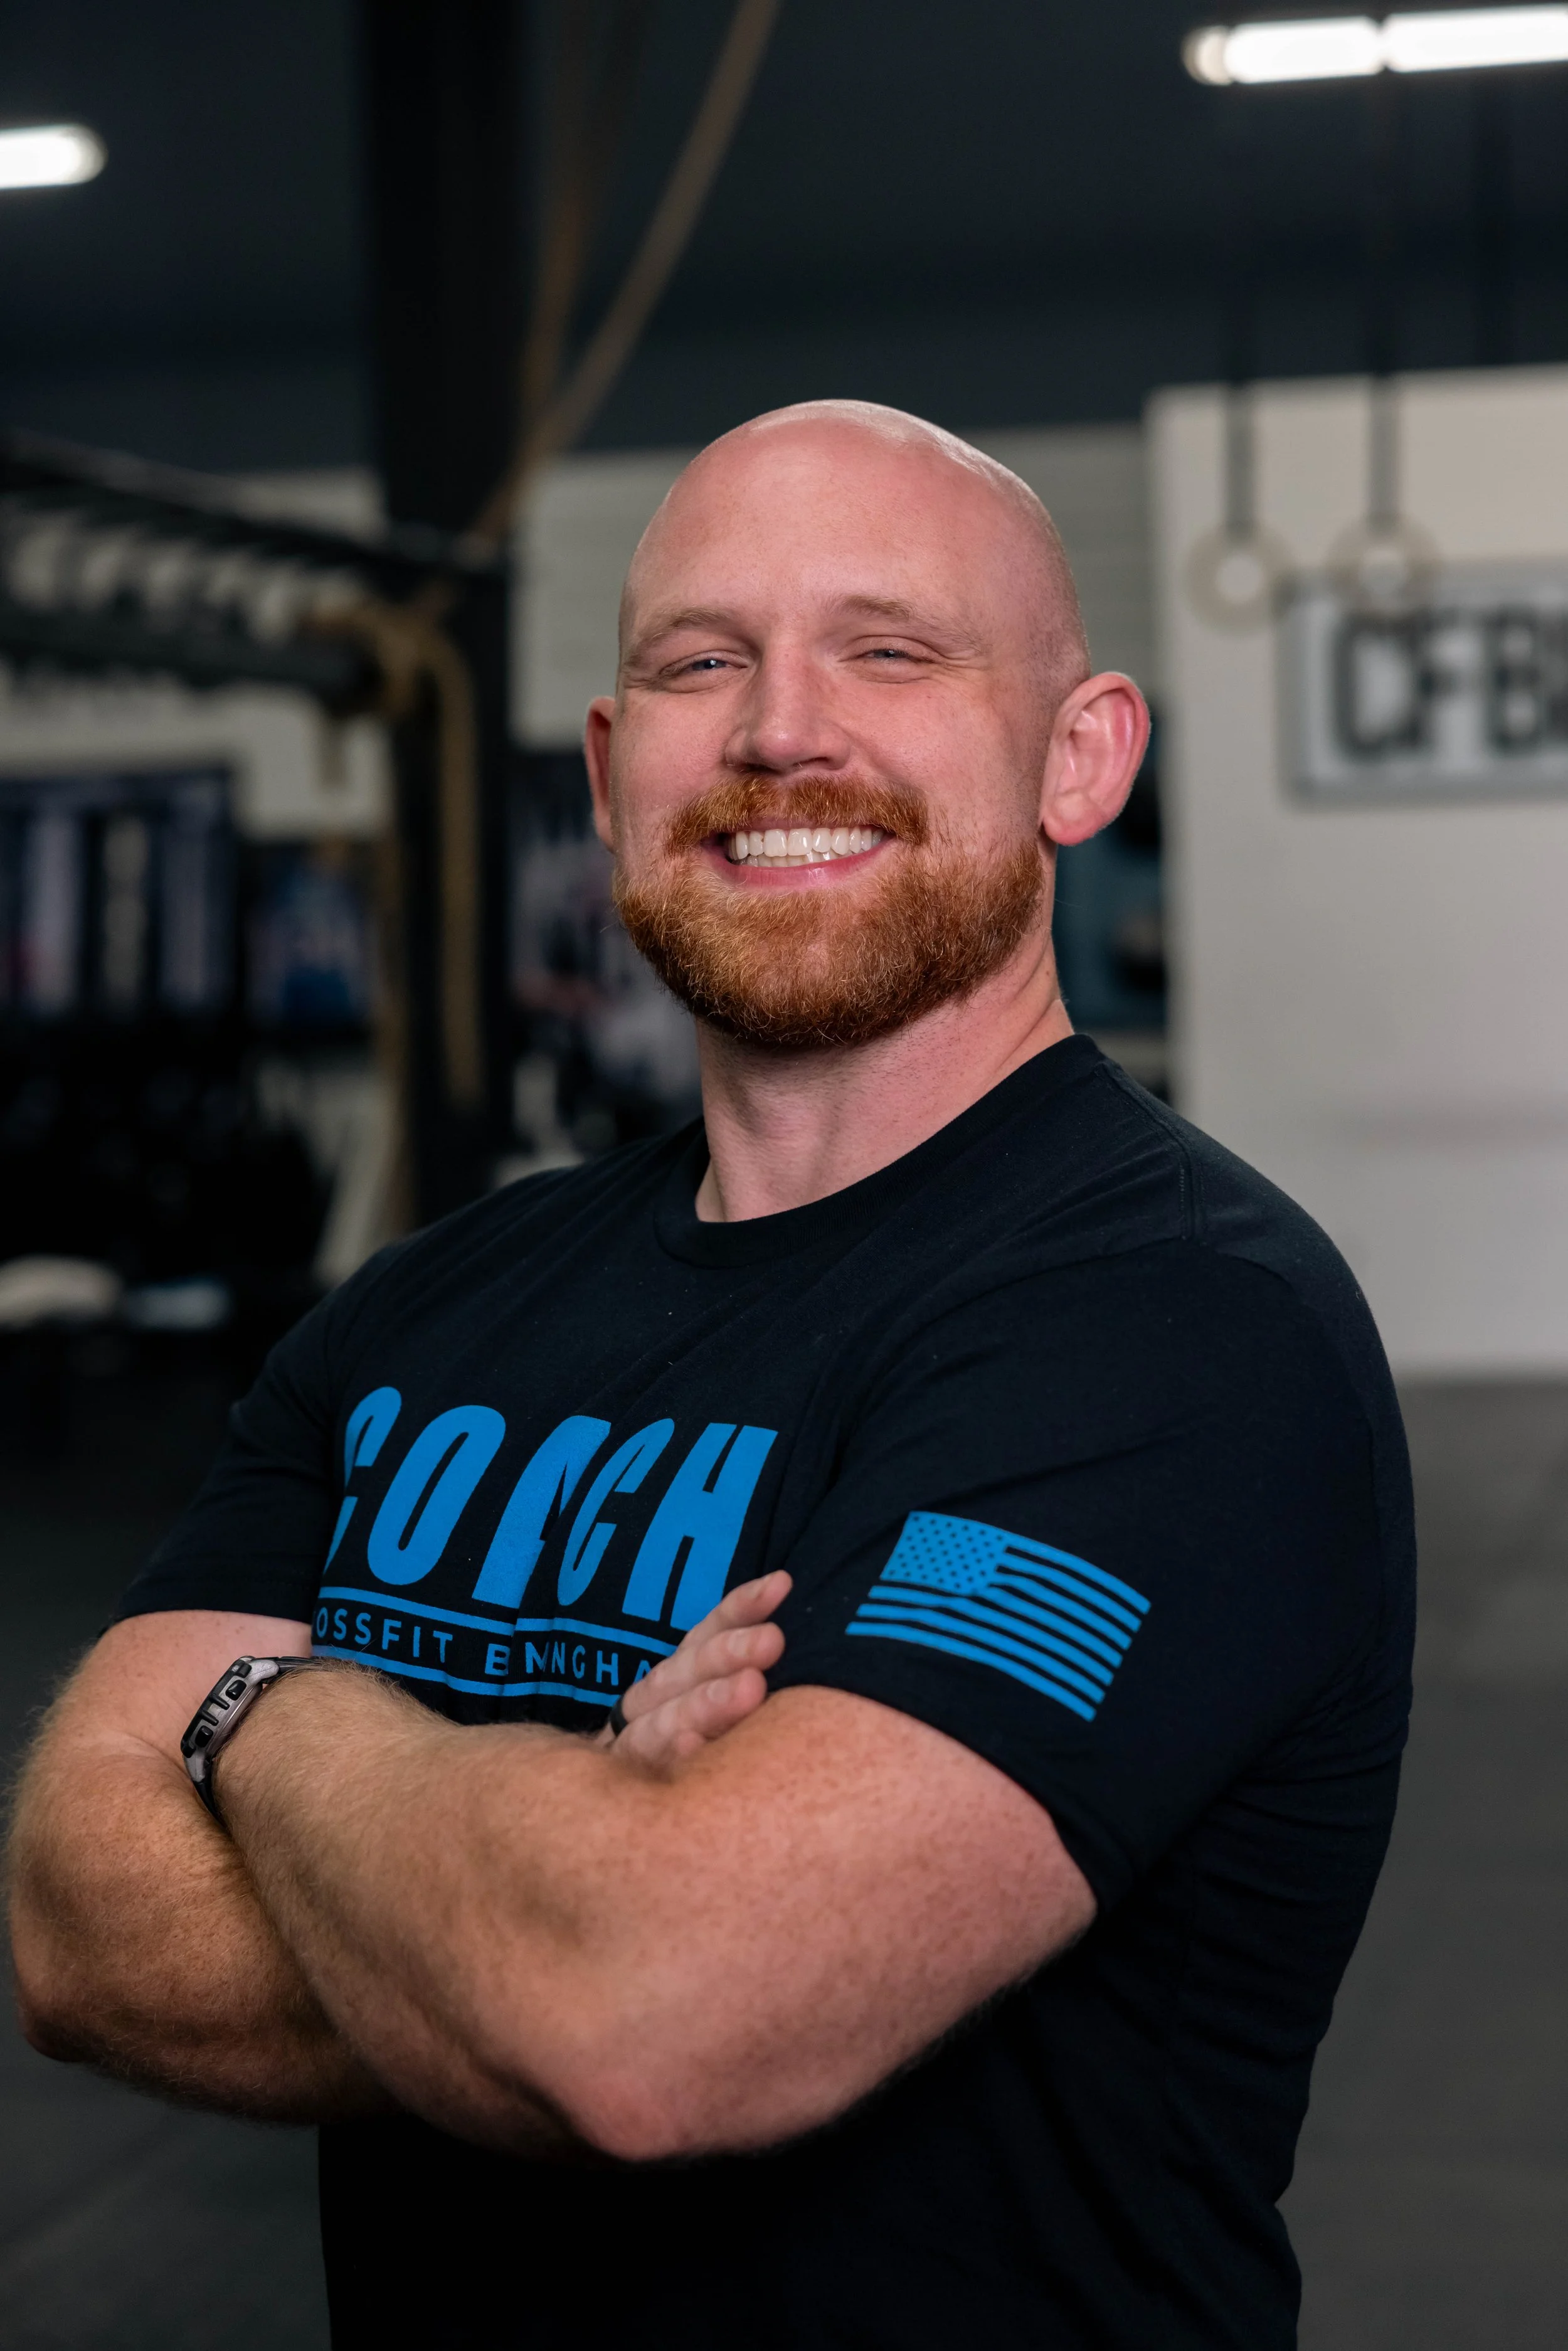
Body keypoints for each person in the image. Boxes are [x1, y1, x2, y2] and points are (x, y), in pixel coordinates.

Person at [8, 401, 1415, 2351]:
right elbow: (75, 1920)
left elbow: (646, 2020)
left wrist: (271, 1709)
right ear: (609, 769)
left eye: (889, 649)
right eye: (697, 661)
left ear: (1079, 755)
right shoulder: (427, 1304)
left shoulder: (1178, 1322)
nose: (777, 732)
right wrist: (561, 1841)